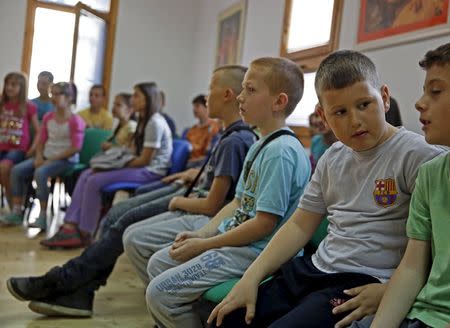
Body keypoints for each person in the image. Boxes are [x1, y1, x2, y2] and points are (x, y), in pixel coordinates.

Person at [207, 50, 444, 328]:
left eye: (365, 104)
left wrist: (389, 289)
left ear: (385, 96)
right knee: (227, 319)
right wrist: (251, 277)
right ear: (323, 115)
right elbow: (299, 226)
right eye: (340, 112)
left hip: (362, 280)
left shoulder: (418, 156)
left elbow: (433, 246)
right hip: (315, 268)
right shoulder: (333, 157)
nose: (355, 120)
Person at [6, 65, 256, 318]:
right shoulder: (231, 136)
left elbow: (218, 200)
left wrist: (179, 198)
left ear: (226, 95)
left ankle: (65, 281)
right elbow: (223, 178)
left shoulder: (235, 139)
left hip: (193, 200)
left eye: (211, 88)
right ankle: (76, 286)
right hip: (190, 190)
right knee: (117, 213)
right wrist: (195, 173)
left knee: (123, 218)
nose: (205, 95)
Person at [124, 57, 311, 328]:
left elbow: (264, 224)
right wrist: (203, 233)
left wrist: (207, 244)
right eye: (242, 88)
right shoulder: (261, 144)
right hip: (237, 242)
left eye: (250, 90)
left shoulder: (280, 152)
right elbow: (237, 202)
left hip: (257, 251)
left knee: (160, 292)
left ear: (279, 102)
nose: (240, 97)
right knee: (158, 262)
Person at [351, 43, 450, 328]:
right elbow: (411, 268)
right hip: (423, 315)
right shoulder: (431, 175)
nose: (419, 102)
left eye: (436, 91)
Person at [39, 82, 172, 248]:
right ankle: (70, 226)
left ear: (148, 99)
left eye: (137, 95)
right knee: (87, 173)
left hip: (150, 171)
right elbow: (132, 151)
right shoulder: (143, 120)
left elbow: (144, 160)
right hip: (138, 166)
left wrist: (114, 165)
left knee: (95, 179)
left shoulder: (154, 123)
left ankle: (86, 232)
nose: (133, 99)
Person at [2, 82, 85, 230]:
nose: (53, 97)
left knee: (40, 173)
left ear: (69, 98)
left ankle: (42, 216)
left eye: (58, 94)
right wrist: (39, 156)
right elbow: (41, 140)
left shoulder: (75, 121)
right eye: (52, 93)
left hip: (66, 160)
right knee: (16, 171)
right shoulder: (48, 117)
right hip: (46, 157)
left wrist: (50, 160)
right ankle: (16, 211)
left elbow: (75, 148)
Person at [0, 72, 39, 215]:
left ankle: (13, 208)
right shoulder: (1, 103)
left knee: (4, 168)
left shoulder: (28, 106)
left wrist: (33, 148)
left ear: (21, 87)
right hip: (1, 145)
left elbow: (38, 131)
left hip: (18, 148)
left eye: (13, 84)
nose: (9, 87)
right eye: (7, 84)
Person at [185, 94, 221, 166]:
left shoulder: (214, 127)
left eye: (197, 106)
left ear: (206, 107)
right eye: (193, 106)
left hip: (201, 163)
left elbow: (209, 153)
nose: (194, 109)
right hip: (188, 161)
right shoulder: (192, 129)